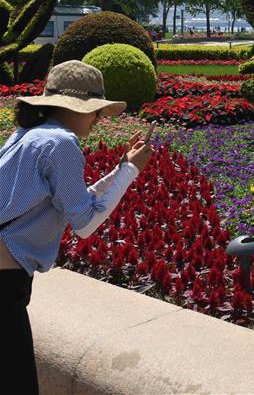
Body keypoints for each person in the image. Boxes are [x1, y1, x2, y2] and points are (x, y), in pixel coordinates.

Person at [0, 60, 153, 394]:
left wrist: (122, 167)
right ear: (73, 107)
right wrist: (131, 172)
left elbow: (73, 200)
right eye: (95, 110)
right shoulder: (61, 143)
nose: (99, 118)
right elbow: (84, 223)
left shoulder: (30, 135)